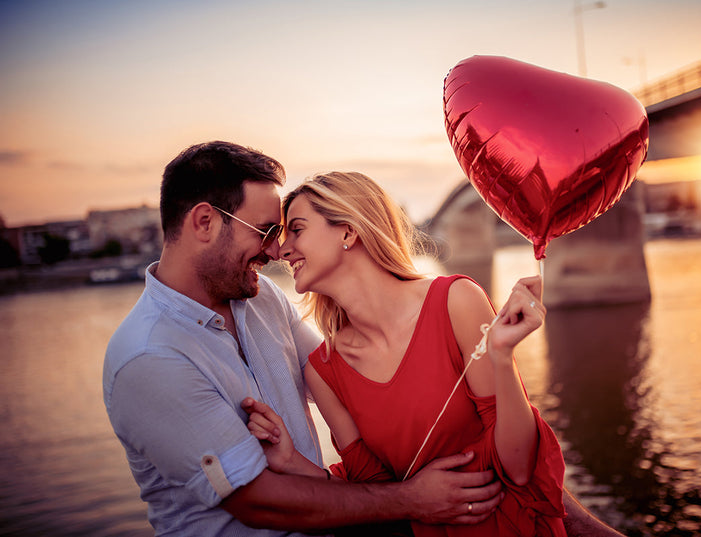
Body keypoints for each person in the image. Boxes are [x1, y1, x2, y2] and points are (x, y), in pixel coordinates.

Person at [102, 141, 506, 537]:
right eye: (264, 231)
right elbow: (257, 501)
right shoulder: (148, 357)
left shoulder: (262, 300)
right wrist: (412, 500)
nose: (276, 249)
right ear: (205, 222)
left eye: (283, 230)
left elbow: (352, 381)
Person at [244, 171, 625, 536]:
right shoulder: (323, 371)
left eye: (296, 229)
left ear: (348, 230)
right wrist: (292, 463)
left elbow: (520, 468)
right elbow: (372, 496)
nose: (281, 249)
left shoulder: (457, 300)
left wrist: (502, 356)